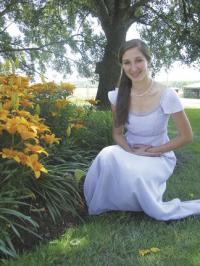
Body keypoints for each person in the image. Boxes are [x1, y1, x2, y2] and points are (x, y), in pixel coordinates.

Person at [84, 39, 200, 221]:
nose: (133, 68)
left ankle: (139, 201)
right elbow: (117, 134)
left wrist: (152, 151)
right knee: (106, 155)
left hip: (159, 155)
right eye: (127, 62)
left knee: (137, 175)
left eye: (138, 60)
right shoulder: (118, 96)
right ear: (122, 65)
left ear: (148, 60)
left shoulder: (166, 95)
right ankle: (105, 202)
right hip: (130, 150)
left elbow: (187, 136)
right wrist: (131, 150)